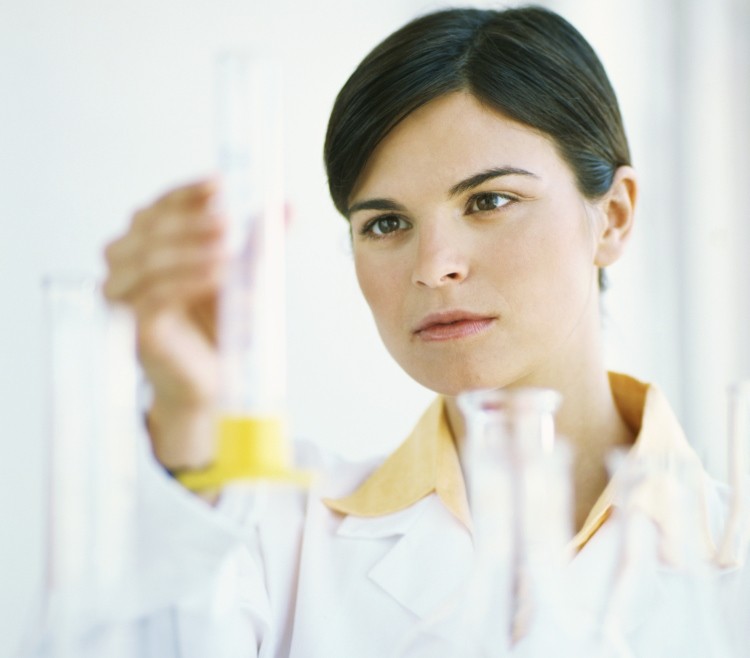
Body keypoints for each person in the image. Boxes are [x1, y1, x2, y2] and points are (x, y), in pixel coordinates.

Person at [30, 4, 749, 657]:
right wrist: (185, 416)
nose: (433, 267)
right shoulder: (271, 533)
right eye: (386, 223)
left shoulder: (731, 555)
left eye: (490, 200)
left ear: (614, 216)